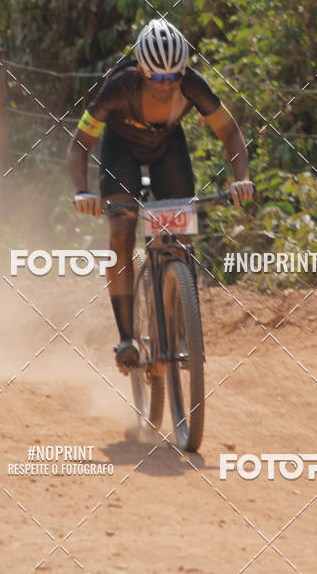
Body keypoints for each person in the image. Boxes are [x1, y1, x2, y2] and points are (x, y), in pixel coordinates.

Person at [67, 19, 254, 373]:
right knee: (121, 233)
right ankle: (126, 339)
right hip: (121, 152)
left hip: (168, 149)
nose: (167, 86)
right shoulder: (117, 88)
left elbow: (230, 133)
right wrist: (82, 192)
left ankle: (182, 326)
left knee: (180, 237)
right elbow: (79, 145)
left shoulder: (193, 85)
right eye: (158, 78)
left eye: (174, 77)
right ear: (141, 71)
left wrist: (241, 179)